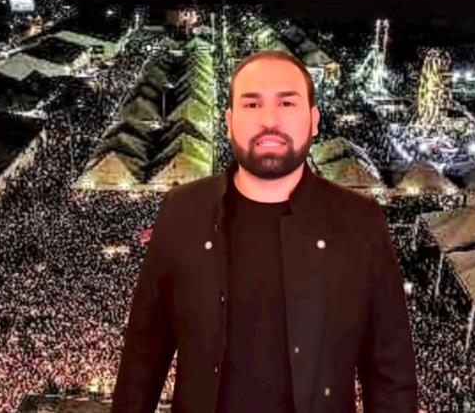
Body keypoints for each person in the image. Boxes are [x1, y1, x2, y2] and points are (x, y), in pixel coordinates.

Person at [112, 50, 417, 413]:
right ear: (229, 122)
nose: (269, 120)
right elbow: (143, 357)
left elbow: (390, 378)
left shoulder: (359, 221)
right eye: (252, 104)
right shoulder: (182, 212)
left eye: (287, 103)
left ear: (313, 120)